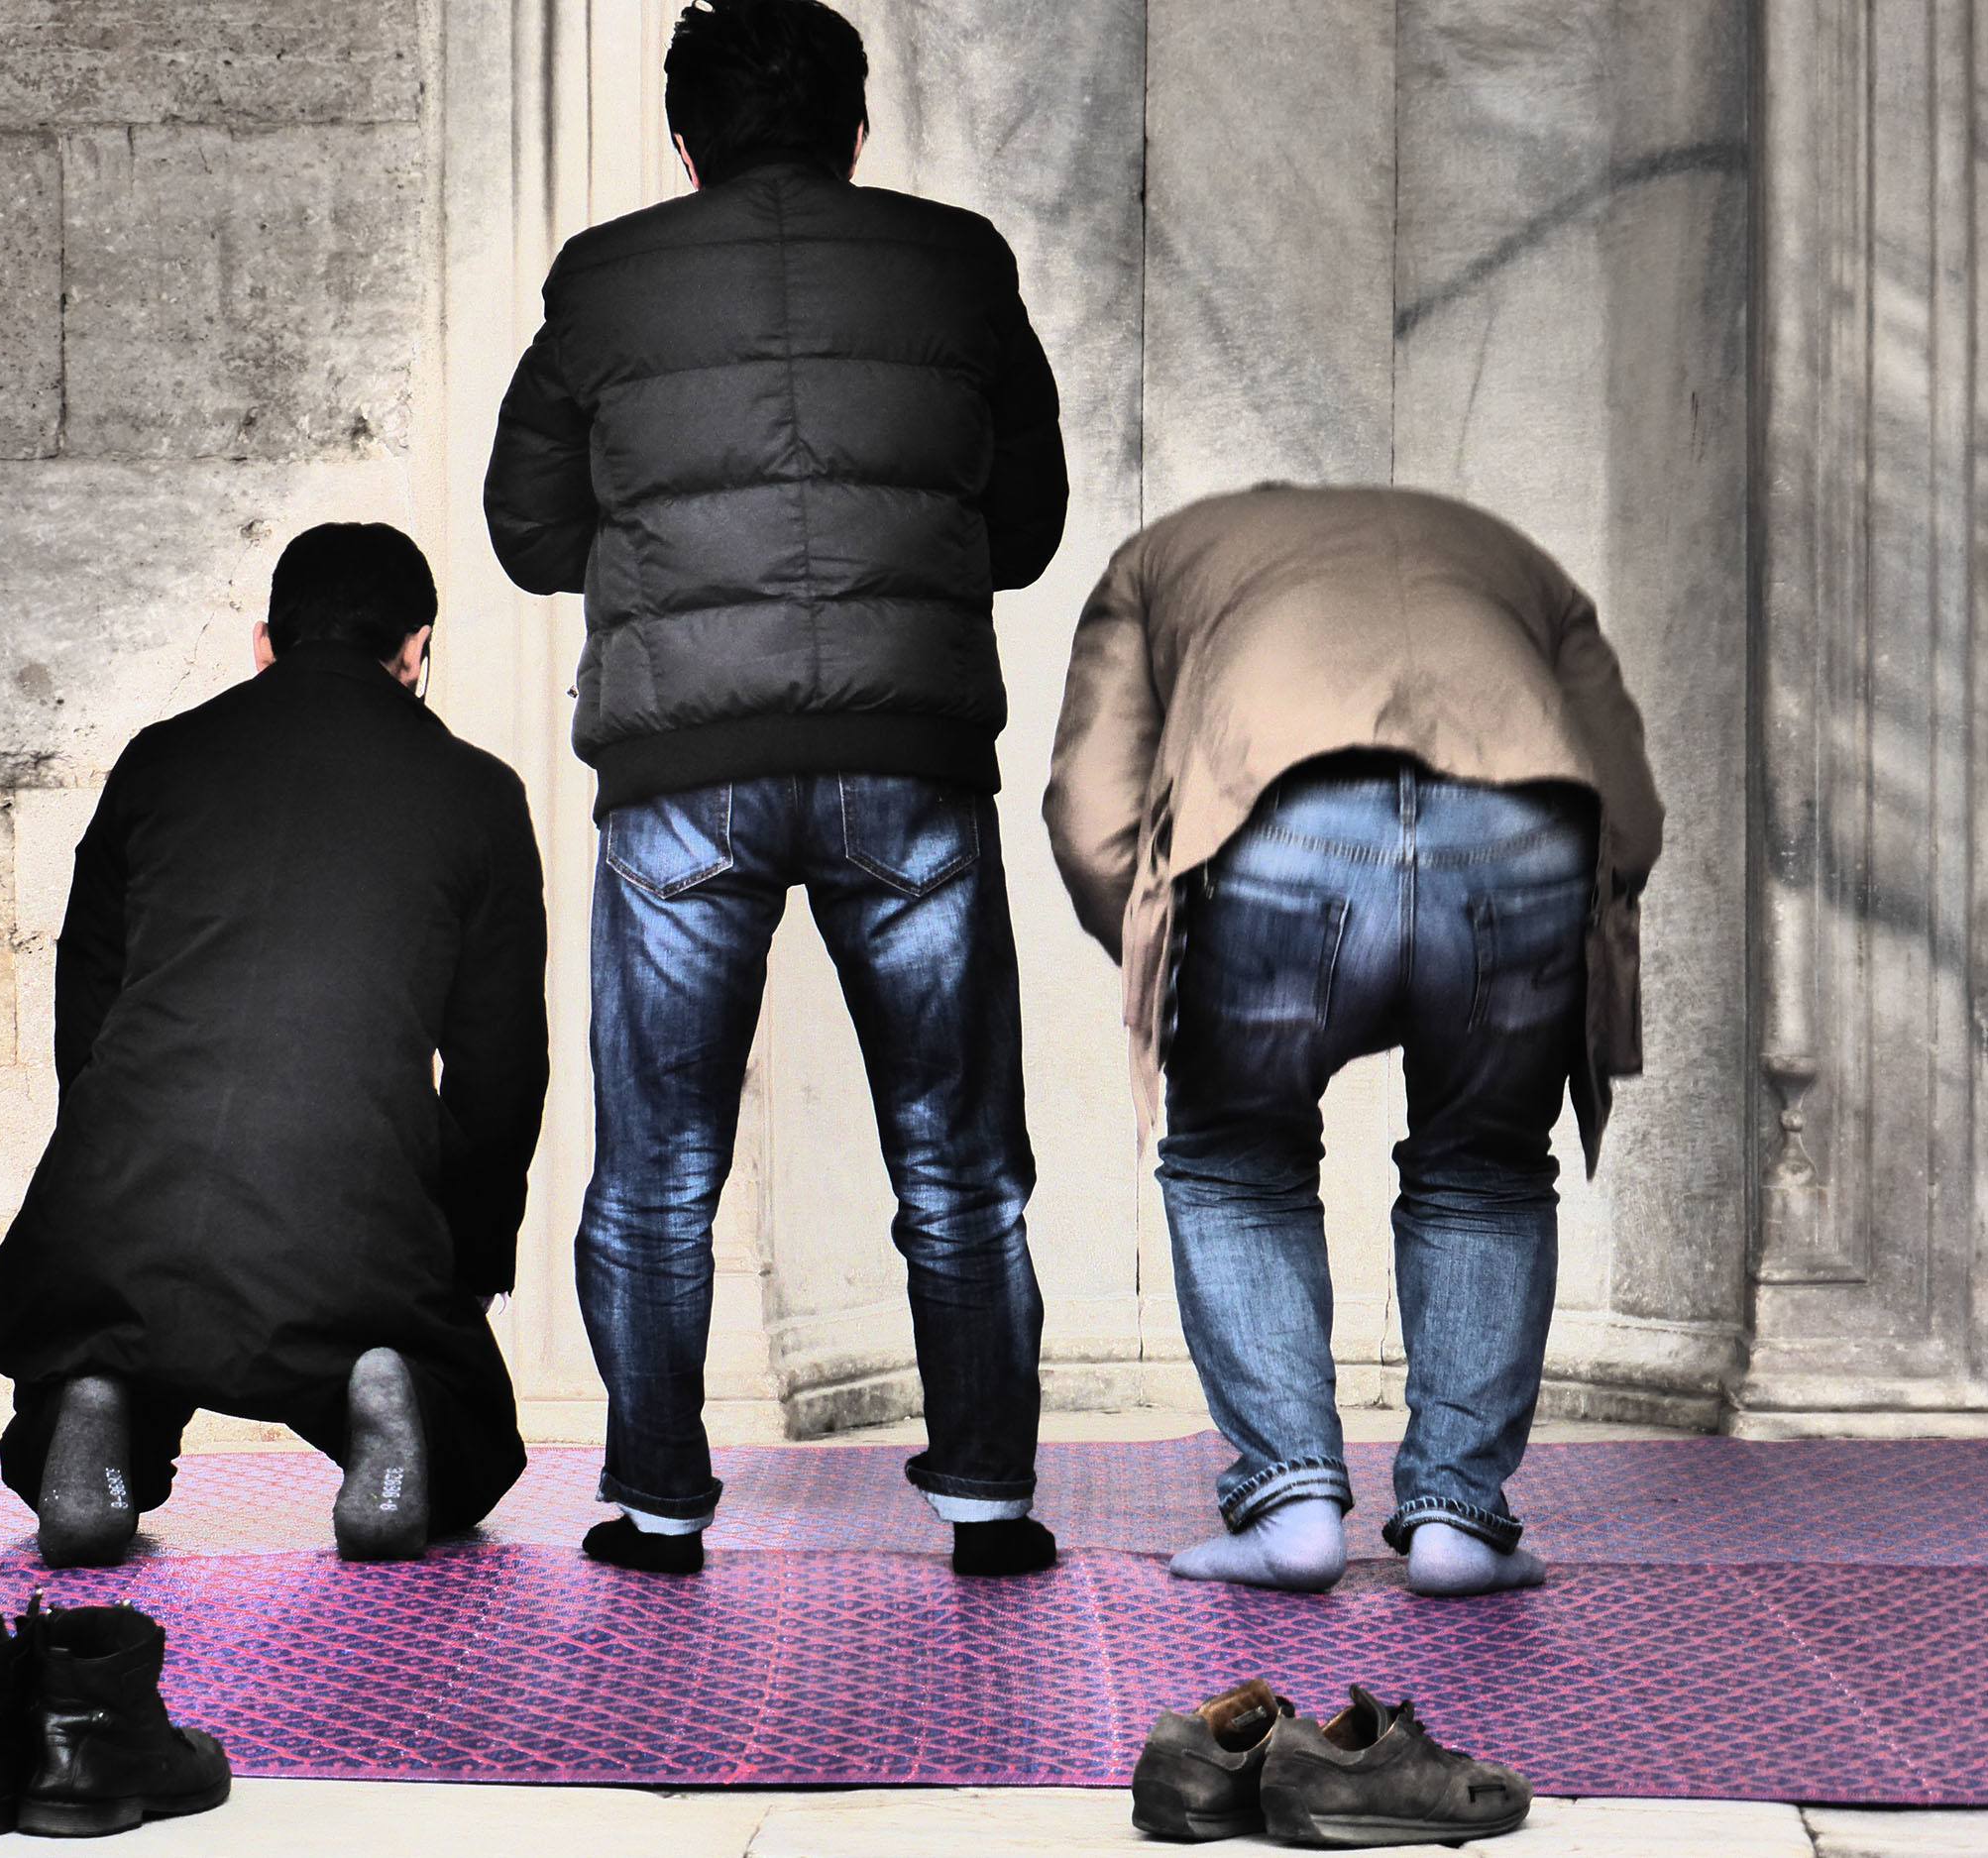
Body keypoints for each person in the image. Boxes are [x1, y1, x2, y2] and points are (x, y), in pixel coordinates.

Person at [482, 0, 1068, 1579]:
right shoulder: (958, 264)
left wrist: (669, 549)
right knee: (957, 1149)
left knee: (661, 1162)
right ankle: (988, 1504)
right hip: (911, 761)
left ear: (686, 142)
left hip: (683, 772)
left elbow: (526, 533)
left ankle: (661, 1502)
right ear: (854, 128)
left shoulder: (604, 280)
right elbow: (1025, 528)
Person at [1045, 485, 1664, 1597]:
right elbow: (1629, 802)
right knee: (1485, 1170)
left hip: (1278, 829)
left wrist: (1164, 950)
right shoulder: (1504, 548)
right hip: (1523, 832)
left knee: (1235, 1162)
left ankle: (1289, 1508)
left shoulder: (1159, 556)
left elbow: (1091, 812)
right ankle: (1459, 1526)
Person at [0, 522, 549, 1568]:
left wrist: (103, 1178)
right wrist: (464, 1265)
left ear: (264, 643)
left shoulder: (160, 759)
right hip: (349, 1225)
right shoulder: (477, 792)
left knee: (94, 1343)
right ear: (414, 650)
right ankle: (395, 1389)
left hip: (116, 1213)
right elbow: (499, 1067)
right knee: (463, 1450)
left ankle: (99, 1404)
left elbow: (88, 1009)